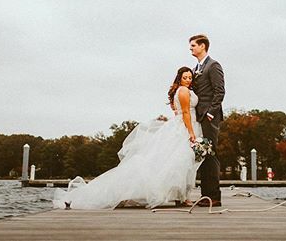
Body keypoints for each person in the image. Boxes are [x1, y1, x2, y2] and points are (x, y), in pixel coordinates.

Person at [52, 67, 202, 209]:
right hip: (185, 127)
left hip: (181, 125)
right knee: (181, 162)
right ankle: (182, 197)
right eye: (185, 77)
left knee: (176, 163)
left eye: (190, 77)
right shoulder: (183, 91)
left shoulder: (181, 90)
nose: (188, 80)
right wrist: (191, 133)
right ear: (179, 79)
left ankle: (182, 197)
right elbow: (186, 113)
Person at [189, 34, 225, 207]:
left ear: (203, 46)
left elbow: (220, 91)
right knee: (202, 154)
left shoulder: (213, 65)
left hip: (209, 117)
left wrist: (211, 113)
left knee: (210, 154)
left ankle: (214, 197)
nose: (191, 48)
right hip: (199, 116)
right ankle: (206, 195)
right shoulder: (196, 67)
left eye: (193, 45)